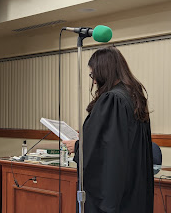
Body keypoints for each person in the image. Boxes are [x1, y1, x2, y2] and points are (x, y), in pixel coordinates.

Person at [63, 46, 153, 213]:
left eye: (93, 75)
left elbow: (105, 152)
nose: (94, 81)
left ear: (104, 71)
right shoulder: (133, 95)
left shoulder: (112, 99)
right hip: (133, 187)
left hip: (115, 194)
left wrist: (77, 146)